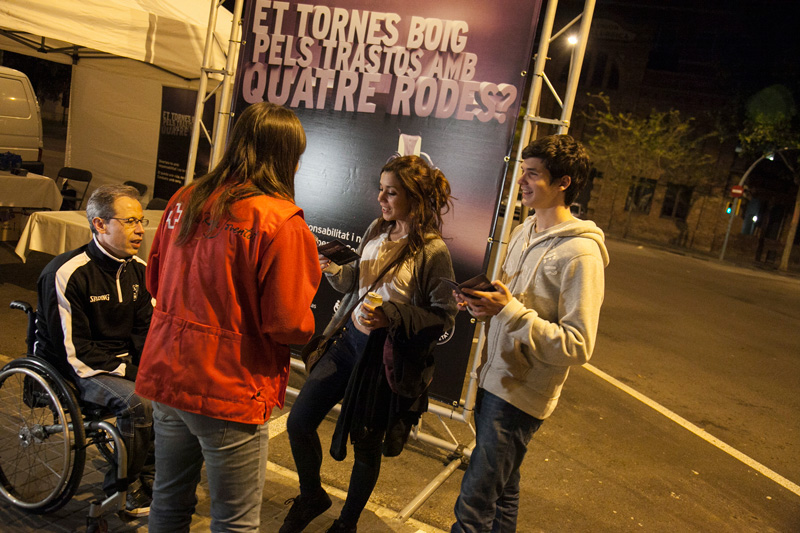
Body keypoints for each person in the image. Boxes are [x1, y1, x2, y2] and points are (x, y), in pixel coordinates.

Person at [134, 102, 321, 532]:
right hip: (229, 387)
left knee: (168, 502)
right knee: (235, 522)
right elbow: (288, 324)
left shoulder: (186, 198)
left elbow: (155, 281)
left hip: (168, 371)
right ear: (286, 156)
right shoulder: (279, 220)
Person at [280, 155, 458, 533]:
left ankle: (346, 523)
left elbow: (444, 317)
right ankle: (311, 496)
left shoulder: (433, 251)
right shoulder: (376, 228)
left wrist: (392, 316)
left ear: (415, 198)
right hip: (347, 344)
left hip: (383, 361)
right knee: (299, 422)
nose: (381, 198)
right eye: (381, 189)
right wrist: (335, 270)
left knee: (365, 443)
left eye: (391, 192)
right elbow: (355, 285)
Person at [451, 135, 609, 532]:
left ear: (564, 182)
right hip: (493, 379)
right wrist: (483, 304)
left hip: (520, 395)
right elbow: (510, 304)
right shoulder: (524, 231)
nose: (521, 181)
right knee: (503, 492)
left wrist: (508, 311)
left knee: (473, 504)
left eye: (533, 174)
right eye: (522, 171)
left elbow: (578, 345)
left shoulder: (582, 254)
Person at [35, 184, 155, 516]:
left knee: (174, 390)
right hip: (78, 369)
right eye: (130, 221)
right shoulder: (66, 273)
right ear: (100, 224)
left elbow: (147, 333)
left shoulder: (139, 270)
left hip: (119, 364)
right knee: (138, 401)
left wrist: (159, 370)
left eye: (141, 221)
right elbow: (74, 351)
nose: (140, 230)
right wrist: (133, 372)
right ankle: (123, 488)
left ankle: (151, 475)